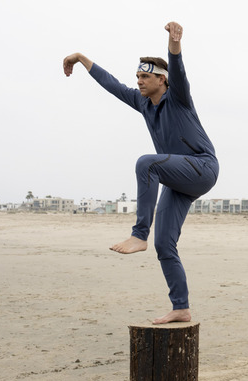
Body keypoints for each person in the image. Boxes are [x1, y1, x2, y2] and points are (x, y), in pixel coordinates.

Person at [63, 22, 219, 324]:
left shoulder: (178, 98)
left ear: (162, 80)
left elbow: (178, 68)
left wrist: (174, 44)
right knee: (165, 244)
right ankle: (181, 306)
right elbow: (112, 85)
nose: (138, 82)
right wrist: (82, 59)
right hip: (179, 179)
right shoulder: (143, 103)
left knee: (146, 162)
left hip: (202, 167)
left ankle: (138, 234)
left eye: (145, 76)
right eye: (137, 76)